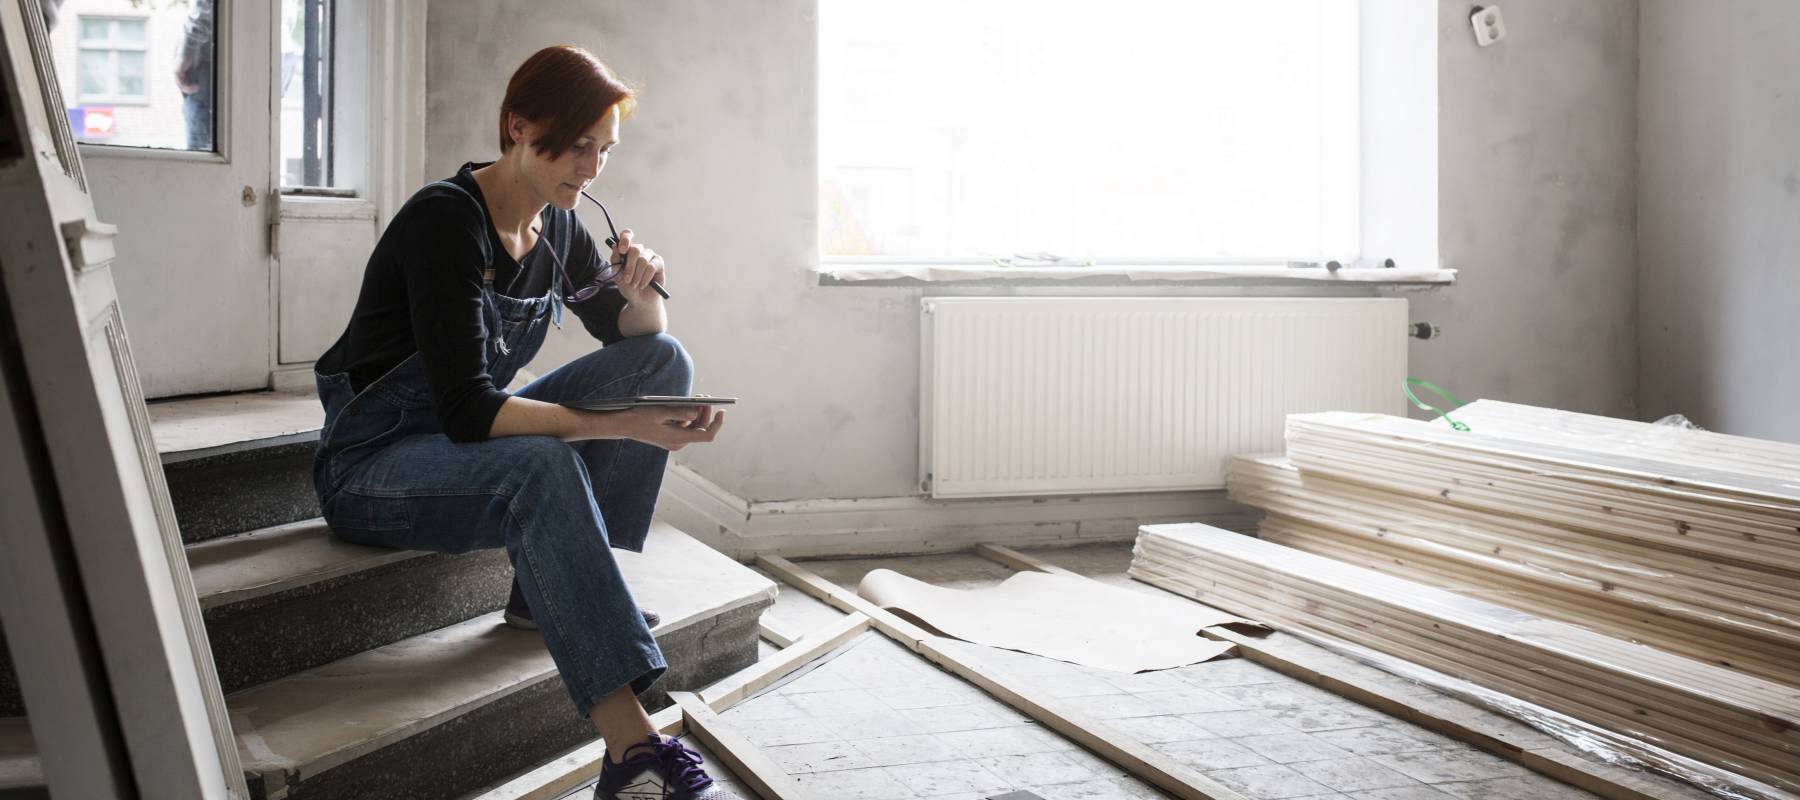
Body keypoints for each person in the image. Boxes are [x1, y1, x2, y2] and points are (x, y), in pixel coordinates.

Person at [310, 46, 735, 800]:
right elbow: (471, 411)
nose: (593, 167)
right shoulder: (446, 222)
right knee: (544, 461)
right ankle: (633, 745)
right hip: (373, 464)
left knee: (664, 365)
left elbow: (638, 342)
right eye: (579, 146)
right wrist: (623, 429)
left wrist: (642, 286)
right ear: (518, 126)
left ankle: (555, 593)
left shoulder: (559, 230)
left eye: (604, 150)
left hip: (457, 445)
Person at [174, 0, 214, 150]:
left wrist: (187, 52)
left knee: (203, 157)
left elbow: (208, 4)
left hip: (210, 64)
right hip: (276, 55)